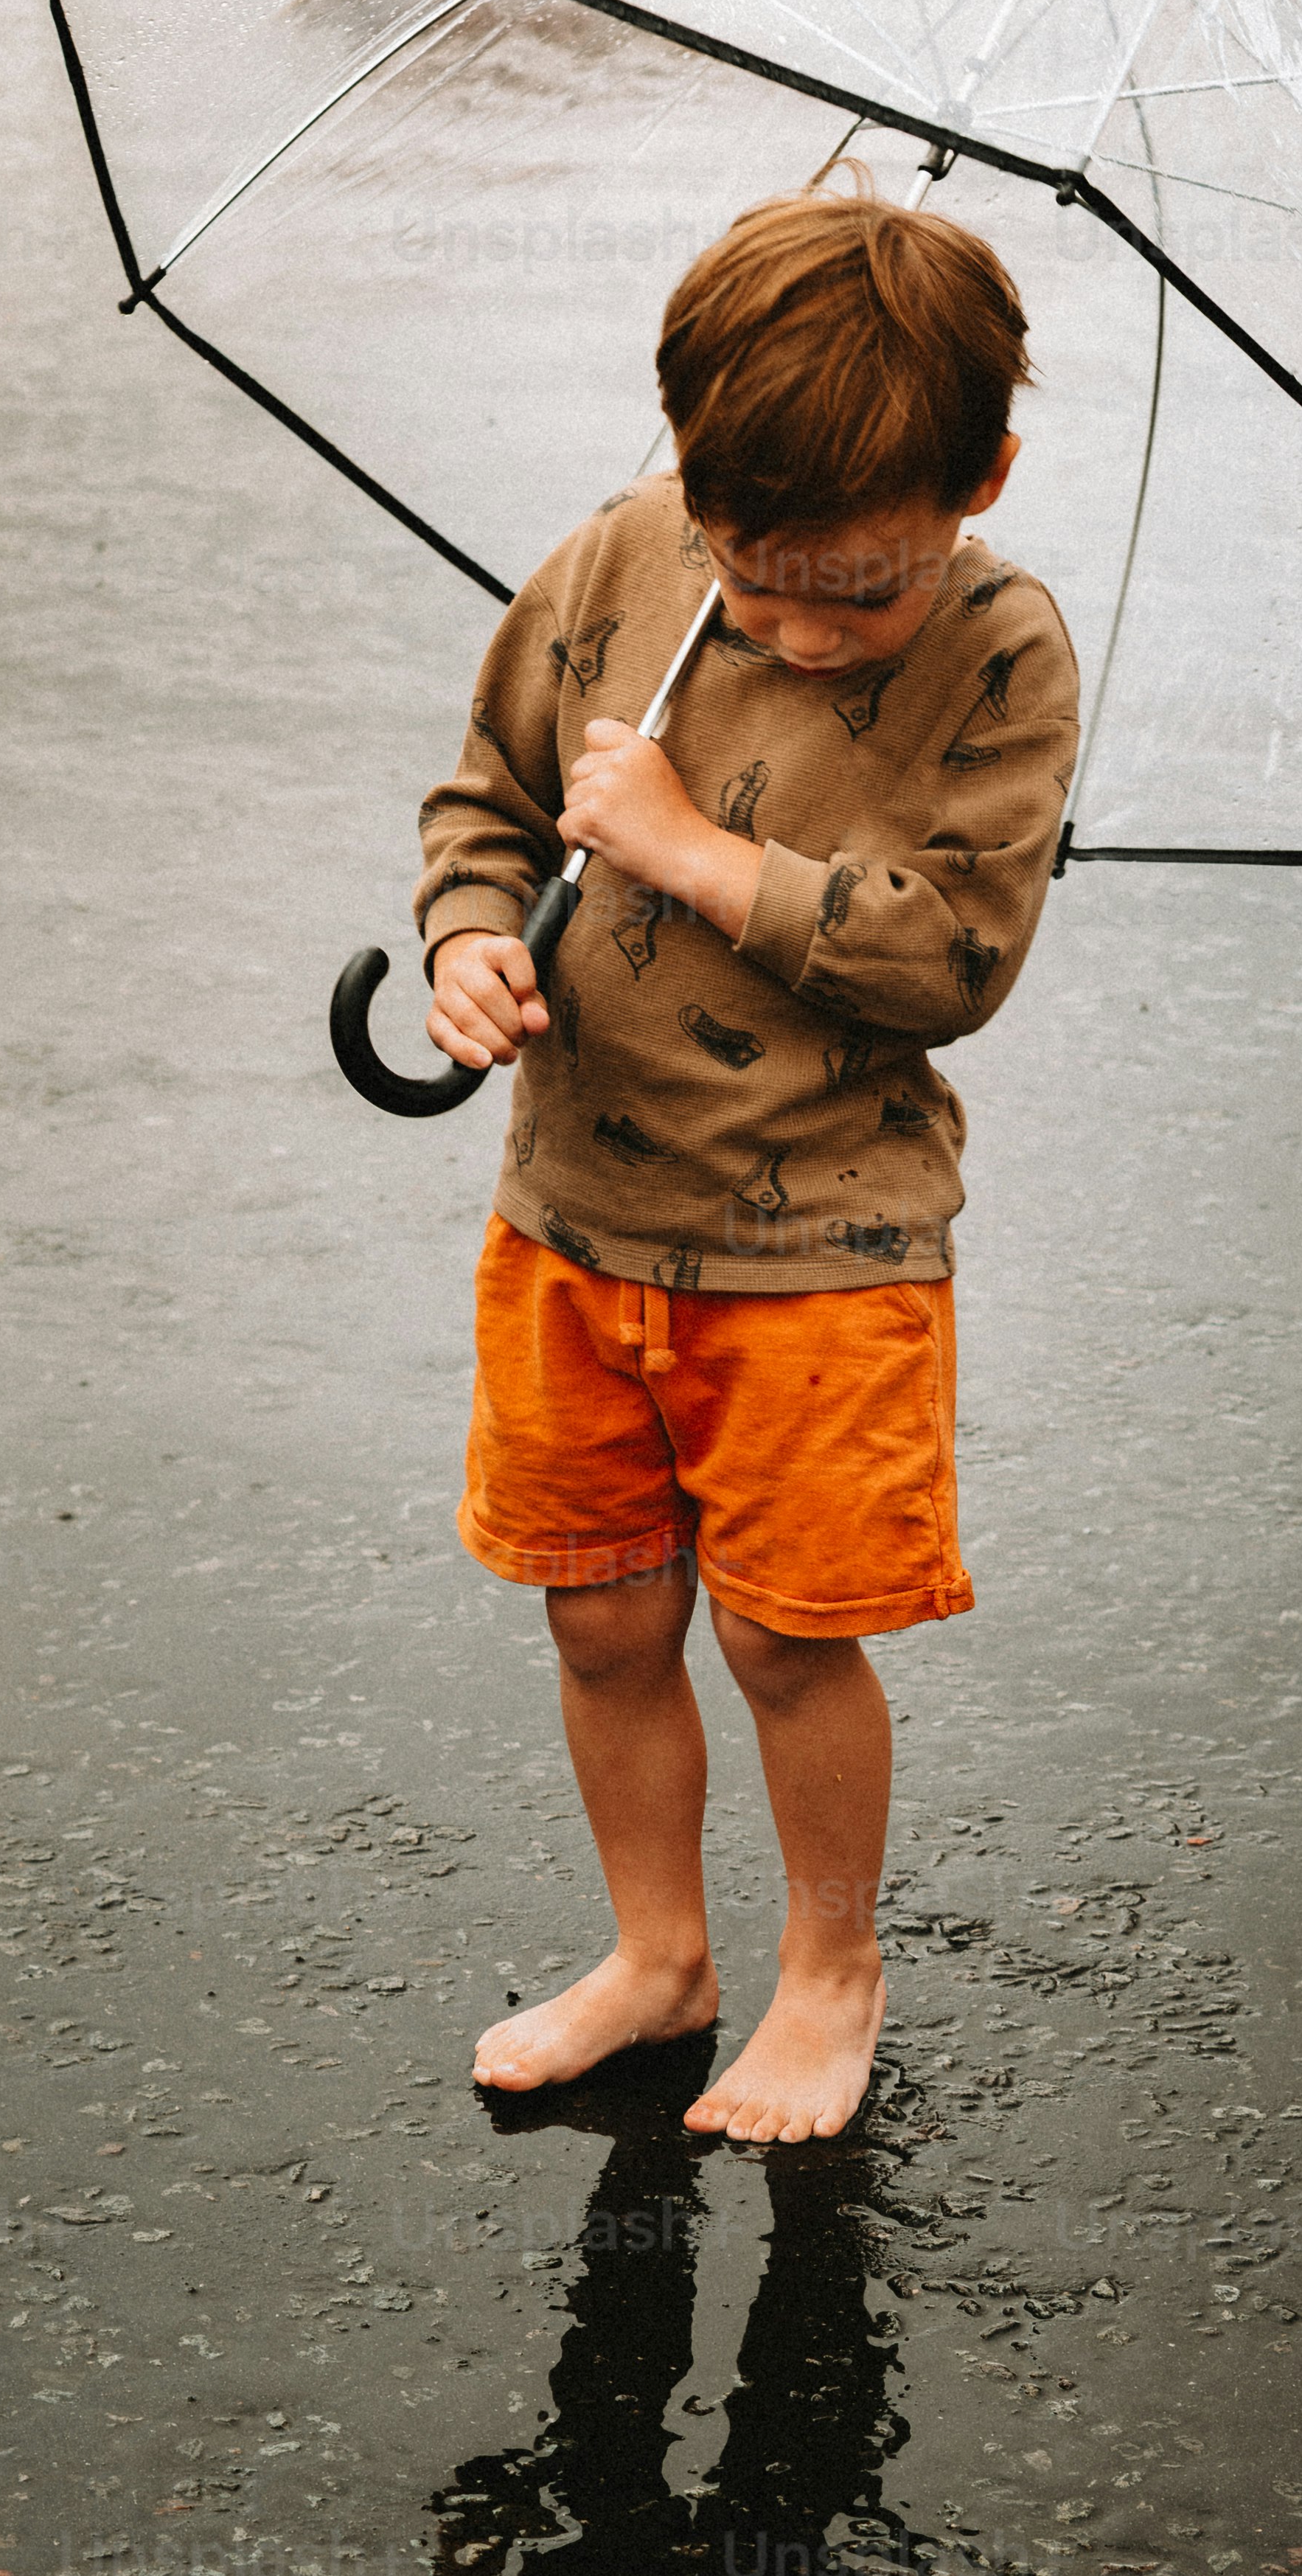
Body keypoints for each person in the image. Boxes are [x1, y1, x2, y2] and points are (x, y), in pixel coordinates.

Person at [416, 182, 1079, 2143]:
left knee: (793, 1637)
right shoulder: (624, 563)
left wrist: (699, 849)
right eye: (754, 566)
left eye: (854, 591)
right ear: (691, 477)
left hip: (829, 1247)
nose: (795, 622)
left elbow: (957, 954)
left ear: (984, 482)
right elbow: (489, 800)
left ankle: (826, 1971)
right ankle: (657, 1955)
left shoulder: (999, 651)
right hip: (577, 1215)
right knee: (604, 1610)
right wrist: (468, 936)